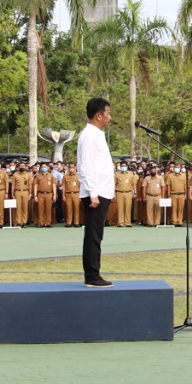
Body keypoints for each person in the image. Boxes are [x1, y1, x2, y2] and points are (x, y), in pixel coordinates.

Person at [77, 97, 115, 287]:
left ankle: (94, 273)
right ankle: (92, 276)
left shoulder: (96, 134)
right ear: (98, 115)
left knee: (97, 235)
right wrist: (93, 193)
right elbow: (86, 167)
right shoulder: (89, 135)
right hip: (95, 193)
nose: (110, 117)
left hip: (101, 191)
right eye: (107, 113)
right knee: (93, 235)